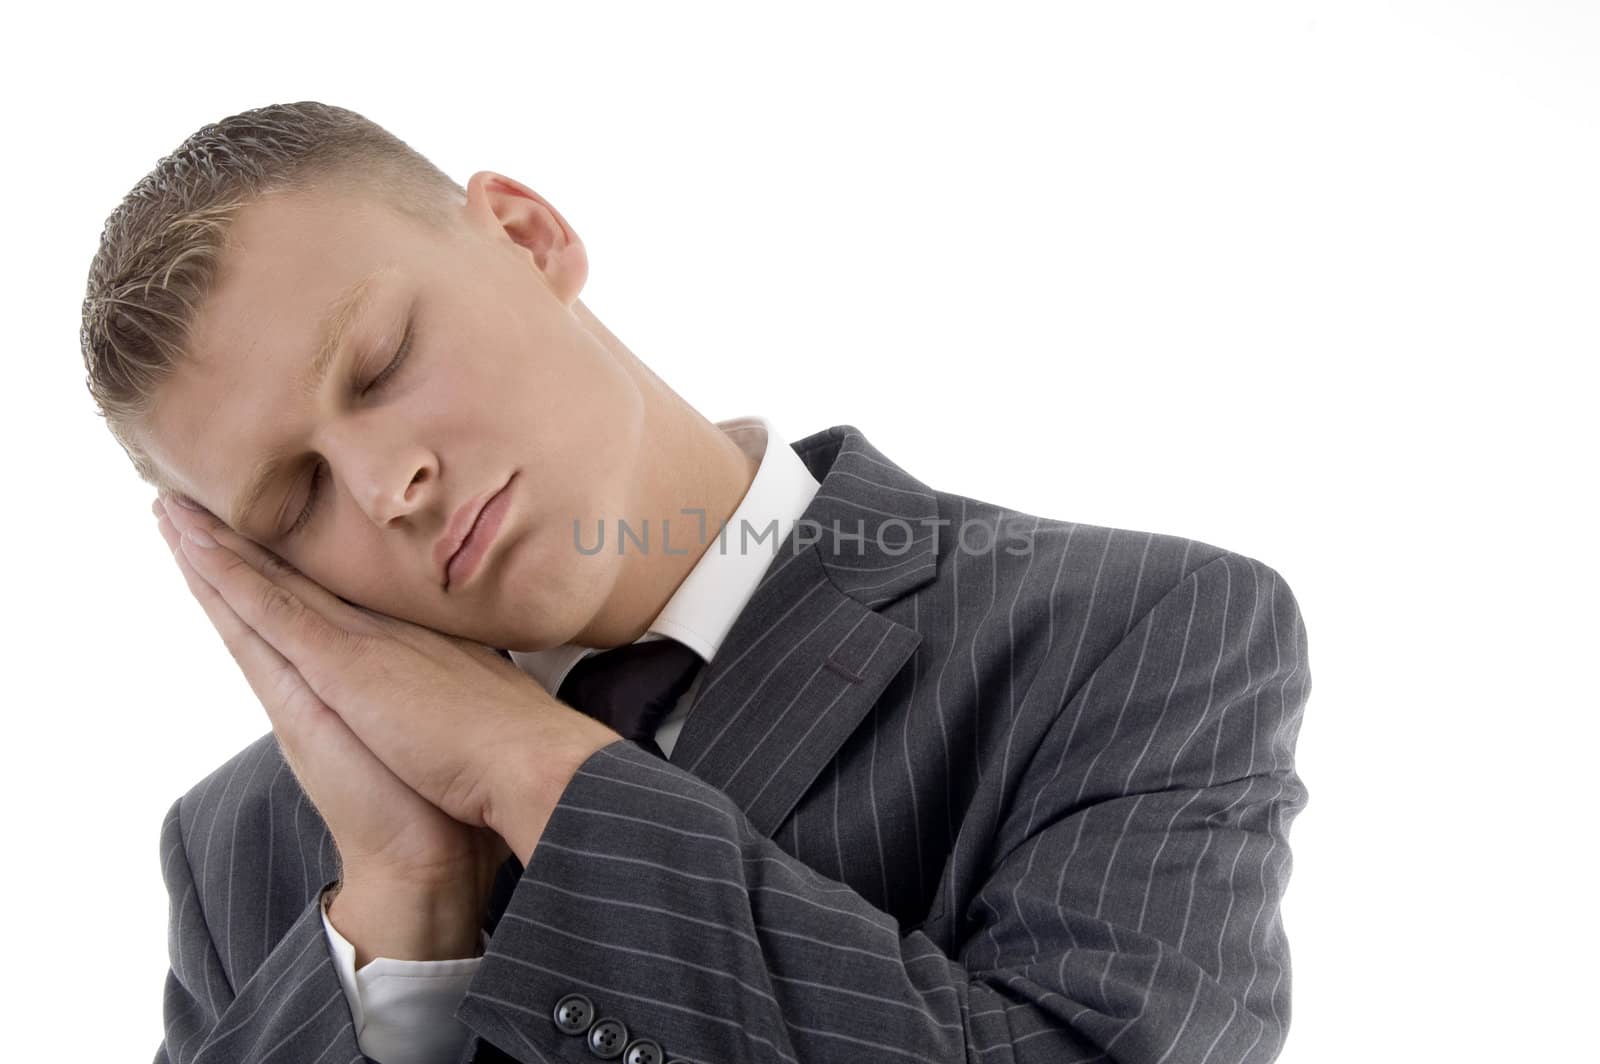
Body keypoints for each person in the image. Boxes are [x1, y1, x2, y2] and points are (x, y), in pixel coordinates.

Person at [81, 101, 1313, 1064]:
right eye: (293, 500)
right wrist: (403, 916)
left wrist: (536, 772)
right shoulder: (248, 844)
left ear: (527, 235)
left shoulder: (1135, 635)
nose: (385, 481)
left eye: (383, 358)